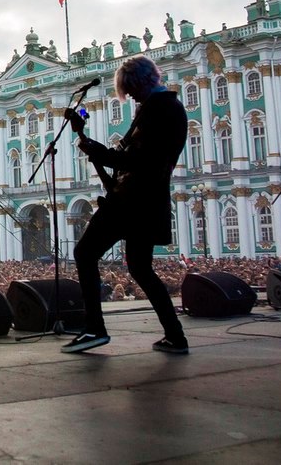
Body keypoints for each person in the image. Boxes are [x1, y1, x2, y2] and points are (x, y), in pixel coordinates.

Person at [62, 55, 189, 354]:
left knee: (84, 253)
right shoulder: (164, 107)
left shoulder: (160, 110)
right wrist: (89, 141)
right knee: (141, 269)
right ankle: (175, 335)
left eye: (130, 89)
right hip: (145, 200)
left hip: (133, 200)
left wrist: (101, 153)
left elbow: (141, 160)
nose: (129, 96)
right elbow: (133, 155)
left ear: (139, 83)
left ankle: (94, 328)